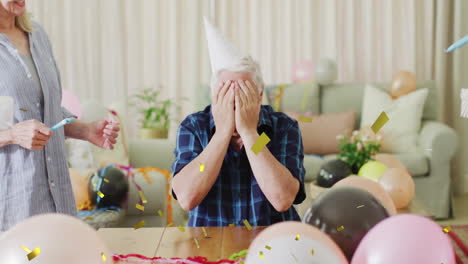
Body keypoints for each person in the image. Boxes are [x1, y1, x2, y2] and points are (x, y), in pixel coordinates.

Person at [171, 18, 305, 227]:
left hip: (271, 243)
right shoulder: (194, 127)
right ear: (214, 96)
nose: (235, 103)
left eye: (244, 94)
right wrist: (222, 134)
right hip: (209, 246)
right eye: (226, 94)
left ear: (259, 96)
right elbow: (187, 198)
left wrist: (250, 133)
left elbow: (282, 199)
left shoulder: (283, 128)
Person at [0, 0, 120, 231]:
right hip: (13, 202)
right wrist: (12, 134)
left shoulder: (37, 35)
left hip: (58, 200)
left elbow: (47, 109)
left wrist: (84, 130)